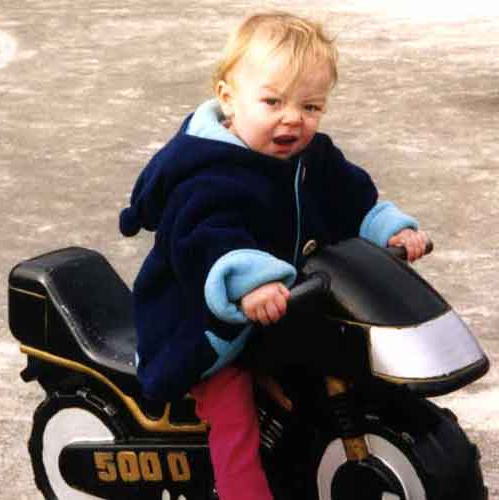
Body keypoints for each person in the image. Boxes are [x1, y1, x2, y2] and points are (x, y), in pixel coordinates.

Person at [119, 11, 429, 500]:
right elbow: (207, 238)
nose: (293, 119)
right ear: (228, 98)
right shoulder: (205, 175)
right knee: (232, 412)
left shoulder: (312, 156)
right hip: (202, 318)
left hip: (284, 305)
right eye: (273, 102)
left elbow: (352, 199)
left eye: (311, 106)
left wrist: (390, 229)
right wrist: (249, 282)